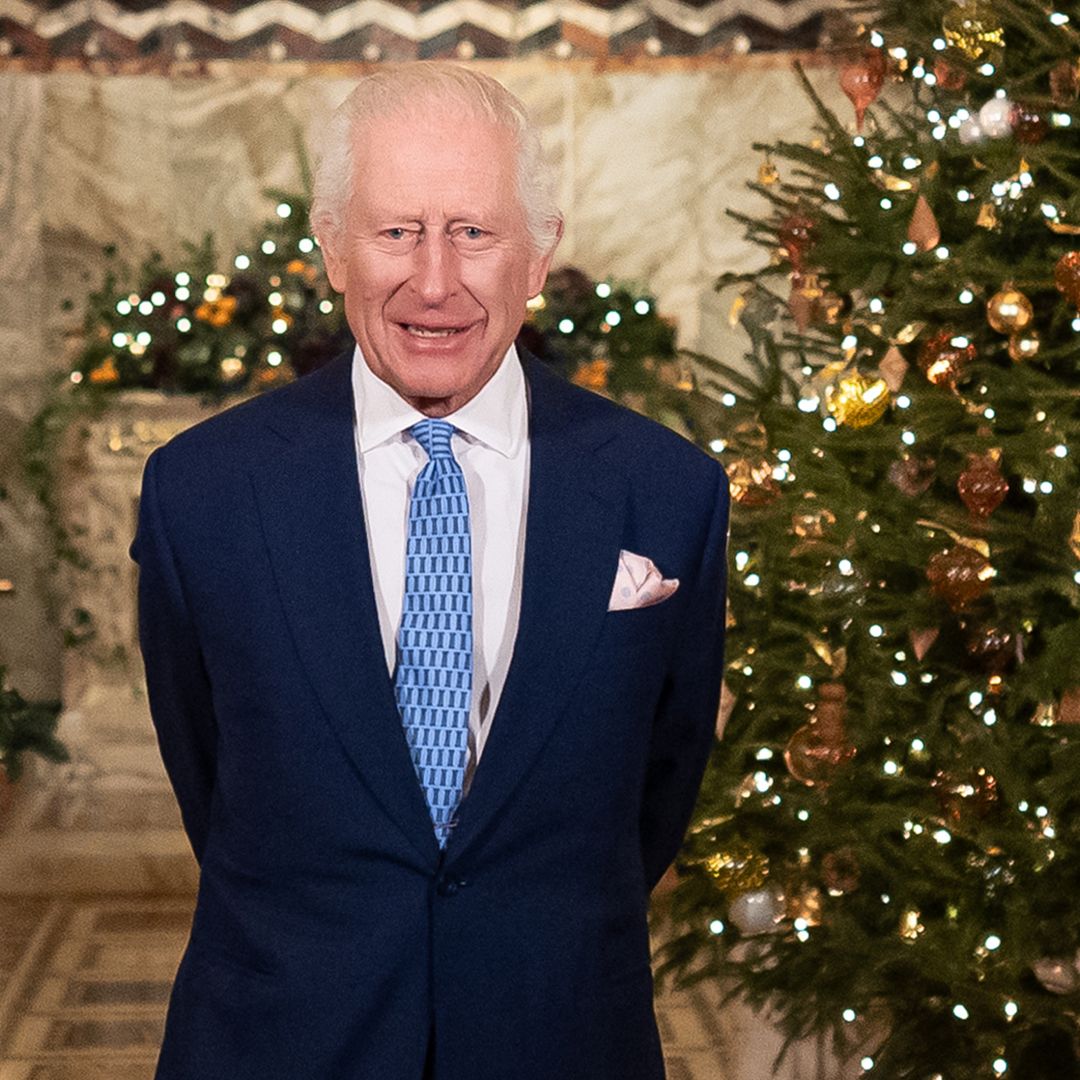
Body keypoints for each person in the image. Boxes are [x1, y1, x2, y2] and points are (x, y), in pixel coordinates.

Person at [130, 62, 730, 1080]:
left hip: (562, 1035)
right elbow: (212, 772)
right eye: (397, 231)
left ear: (540, 255)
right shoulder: (202, 493)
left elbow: (658, 792)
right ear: (331, 247)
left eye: (476, 233)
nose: (436, 281)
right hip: (282, 1041)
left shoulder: (666, 493)